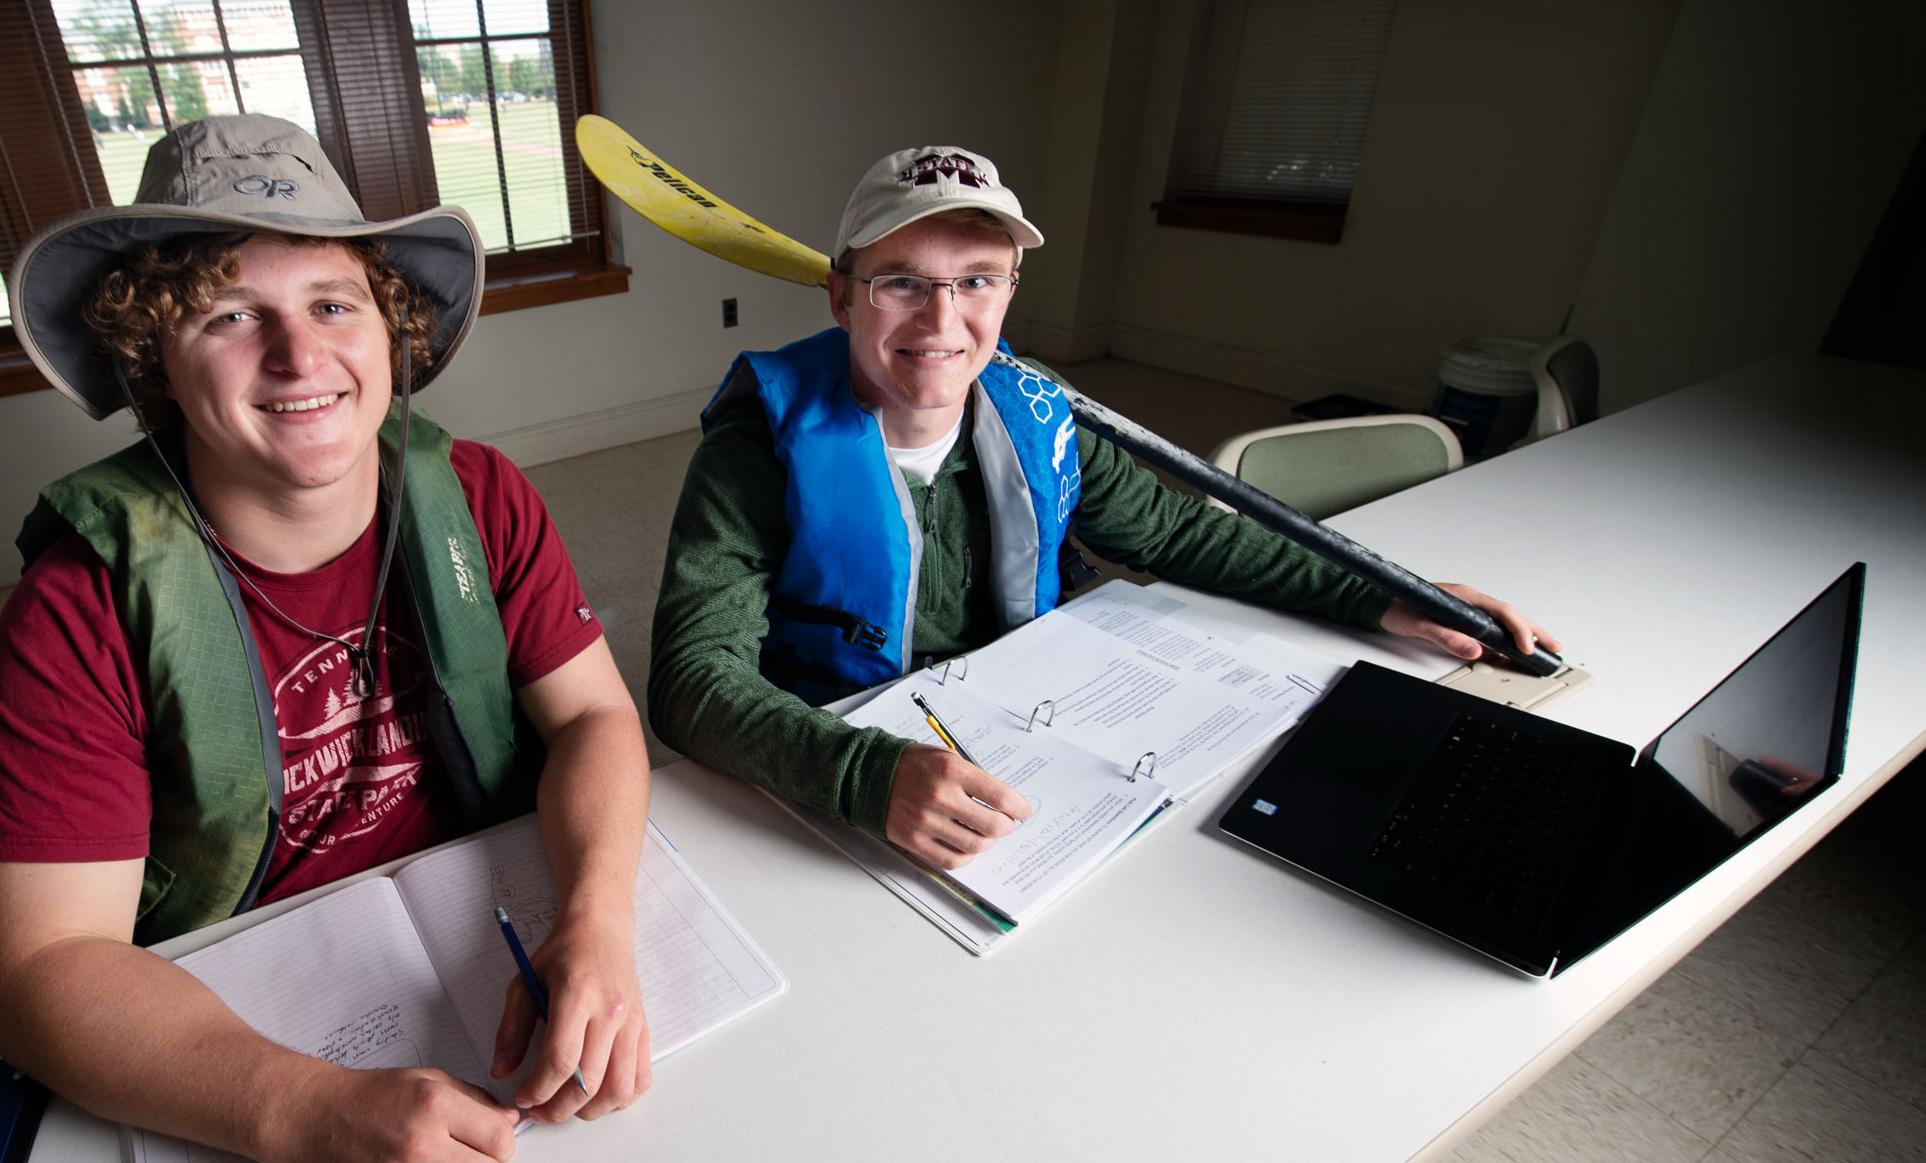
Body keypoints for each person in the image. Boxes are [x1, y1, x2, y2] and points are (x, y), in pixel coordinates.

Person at [0, 115, 652, 1163]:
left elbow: (591, 714)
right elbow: (40, 969)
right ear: (155, 362)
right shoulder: (78, 608)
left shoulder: (478, 496)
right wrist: (298, 1112)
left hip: (480, 928)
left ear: (389, 327)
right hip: (237, 1003)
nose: (298, 355)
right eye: (231, 314)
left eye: (333, 302)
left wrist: (598, 919)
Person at [650, 143, 1558, 870]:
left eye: (975, 279)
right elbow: (692, 682)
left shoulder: (1039, 413)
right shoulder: (754, 453)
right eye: (901, 281)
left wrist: (1371, 590)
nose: (941, 320)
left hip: (1023, 735)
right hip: (836, 749)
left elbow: (1175, 529)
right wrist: (858, 774)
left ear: (1010, 291)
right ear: (840, 296)